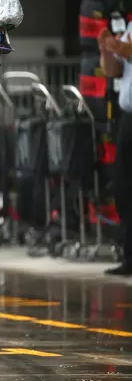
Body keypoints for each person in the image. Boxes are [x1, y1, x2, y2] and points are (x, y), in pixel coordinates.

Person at [98, 24, 132, 276]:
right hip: (127, 117)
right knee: (123, 187)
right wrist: (107, 50)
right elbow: (114, 70)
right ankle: (129, 256)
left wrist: (122, 47)